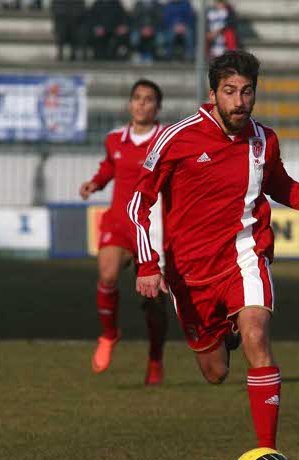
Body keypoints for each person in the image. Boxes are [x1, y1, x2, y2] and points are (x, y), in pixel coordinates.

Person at [127, 51, 299, 449]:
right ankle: (224, 333)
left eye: (247, 92)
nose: (239, 101)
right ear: (213, 93)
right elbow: (139, 203)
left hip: (244, 256)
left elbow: (281, 184)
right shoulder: (176, 138)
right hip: (190, 274)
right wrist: (149, 264)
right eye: (230, 91)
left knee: (257, 337)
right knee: (215, 372)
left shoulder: (263, 139)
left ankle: (267, 453)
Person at [79, 80, 169, 386]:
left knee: (154, 302)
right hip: (118, 221)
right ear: (130, 104)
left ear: (158, 107)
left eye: (149, 100)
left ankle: (155, 358)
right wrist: (95, 183)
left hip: (153, 227)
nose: (142, 104)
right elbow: (109, 167)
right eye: (137, 99)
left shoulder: (166, 140)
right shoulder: (115, 138)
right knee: (107, 274)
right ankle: (109, 334)